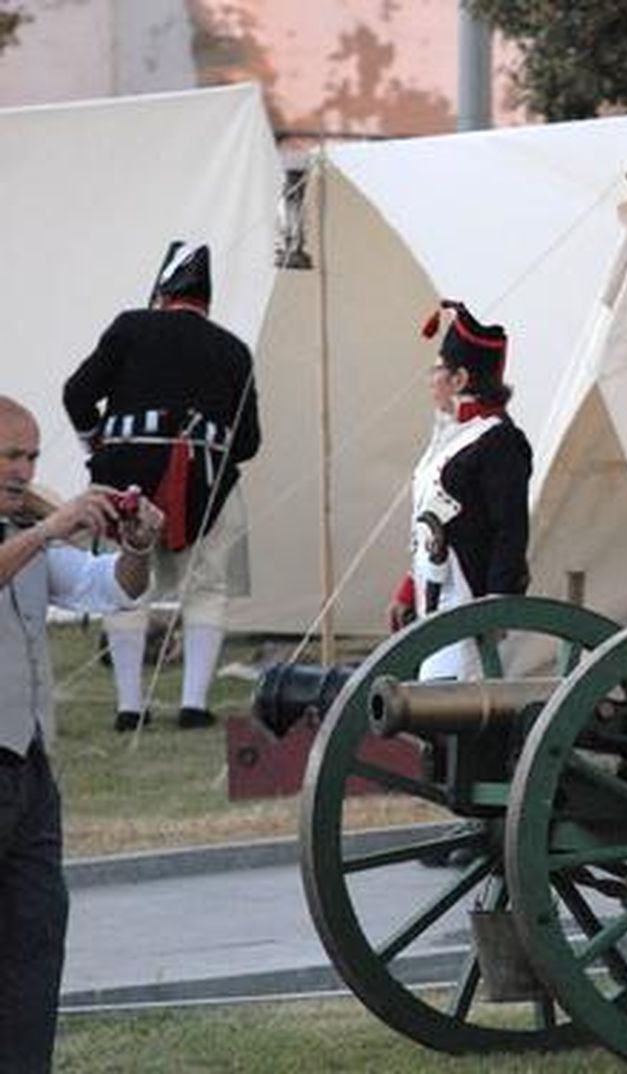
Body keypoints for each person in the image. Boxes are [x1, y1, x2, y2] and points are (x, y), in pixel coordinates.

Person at [0, 395, 162, 1071]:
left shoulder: (24, 532)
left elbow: (109, 589)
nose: (24, 469)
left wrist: (137, 545)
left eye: (32, 456)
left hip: (26, 764)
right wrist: (48, 528)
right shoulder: (31, 535)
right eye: (12, 455)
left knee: (36, 938)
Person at [62, 242, 260, 731]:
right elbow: (249, 442)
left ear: (163, 292)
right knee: (207, 588)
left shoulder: (130, 327)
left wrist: (98, 444)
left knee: (123, 583)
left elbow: (77, 393)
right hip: (207, 481)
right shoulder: (234, 349)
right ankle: (193, 705)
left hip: (125, 475)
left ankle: (130, 707)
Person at [386, 300, 531, 680]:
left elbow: (510, 530)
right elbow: (433, 524)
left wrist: (497, 606)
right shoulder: (453, 435)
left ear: (459, 379)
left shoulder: (499, 440)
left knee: (451, 695)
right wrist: (409, 588)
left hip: (469, 601)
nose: (430, 379)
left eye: (437, 370)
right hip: (436, 596)